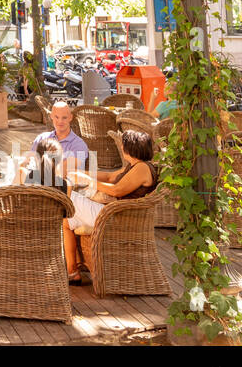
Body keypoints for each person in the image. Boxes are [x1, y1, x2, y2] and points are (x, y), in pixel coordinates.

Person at [63, 129, 159, 282]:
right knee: (66, 221)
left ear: (129, 148)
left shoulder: (142, 168)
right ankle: (72, 272)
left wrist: (87, 181)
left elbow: (116, 190)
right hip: (110, 212)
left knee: (65, 197)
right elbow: (108, 176)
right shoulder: (133, 165)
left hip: (115, 217)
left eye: (123, 145)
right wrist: (79, 172)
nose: (121, 147)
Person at [26, 101, 90, 177]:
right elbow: (28, 163)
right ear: (51, 116)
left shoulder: (78, 145)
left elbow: (63, 171)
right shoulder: (41, 138)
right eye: (56, 117)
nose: (60, 121)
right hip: (36, 184)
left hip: (61, 186)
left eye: (64, 117)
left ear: (70, 117)